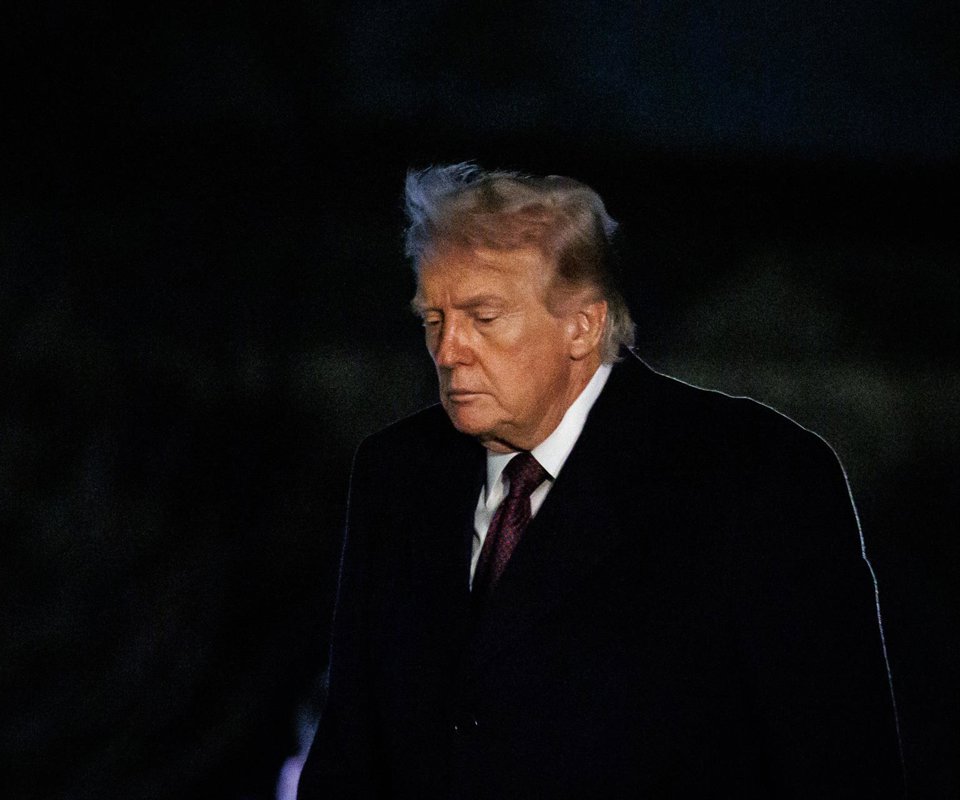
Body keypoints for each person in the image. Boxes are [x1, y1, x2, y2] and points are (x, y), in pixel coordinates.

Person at [298, 163, 904, 798]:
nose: (448, 351)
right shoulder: (395, 474)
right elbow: (350, 753)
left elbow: (843, 764)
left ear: (582, 325)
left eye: (484, 317)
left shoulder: (756, 476)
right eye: (433, 319)